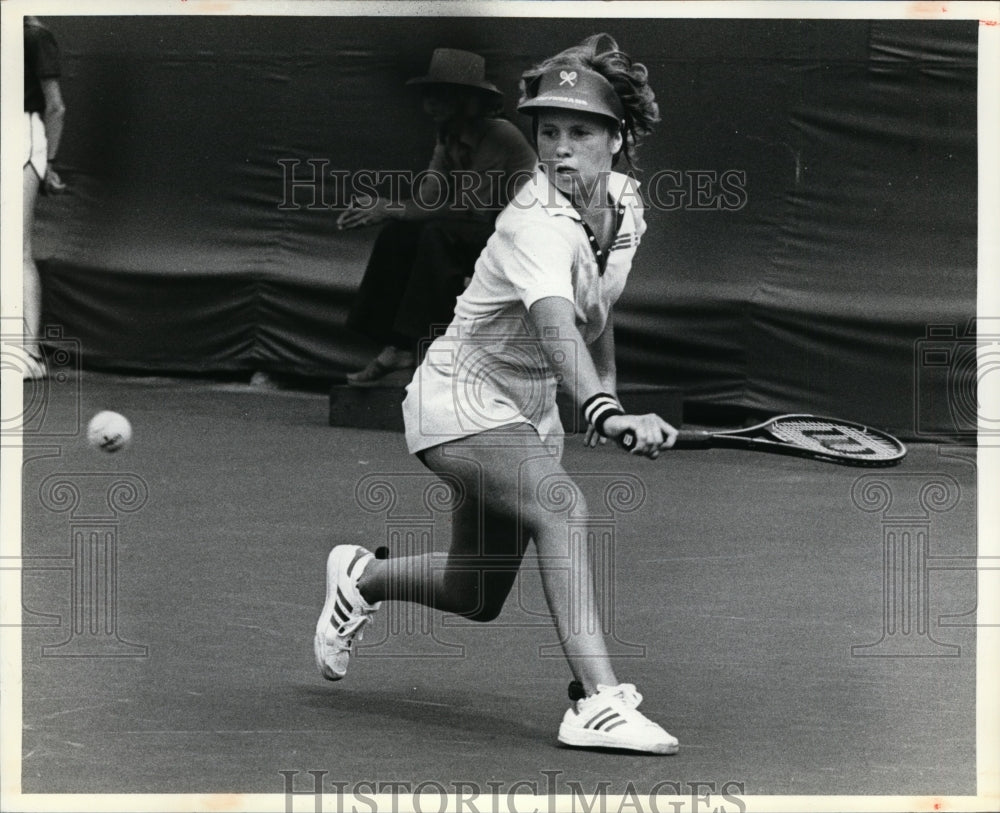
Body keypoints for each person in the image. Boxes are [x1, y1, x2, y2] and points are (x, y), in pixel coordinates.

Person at [315, 34, 680, 754]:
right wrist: (605, 411)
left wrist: (605, 396)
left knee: (473, 591)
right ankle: (598, 702)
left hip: (528, 409)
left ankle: (362, 576)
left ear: (619, 140)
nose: (560, 150)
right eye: (549, 132)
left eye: (581, 132)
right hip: (459, 398)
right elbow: (553, 326)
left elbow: (595, 313)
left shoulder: (627, 207)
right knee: (560, 504)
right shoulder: (532, 222)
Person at [339, 48, 537, 385]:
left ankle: (413, 346)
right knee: (399, 234)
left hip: (523, 240)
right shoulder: (447, 137)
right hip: (483, 231)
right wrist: (384, 209)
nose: (431, 102)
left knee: (438, 235)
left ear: (468, 100)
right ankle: (395, 344)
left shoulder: (499, 134)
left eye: (442, 94)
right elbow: (425, 202)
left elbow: (472, 210)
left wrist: (391, 207)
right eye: (428, 94)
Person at [23, 15, 67, 380]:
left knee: (17, 249)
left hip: (24, 135)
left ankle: (30, 356)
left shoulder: (35, 36)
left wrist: (49, 162)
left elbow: (56, 107)